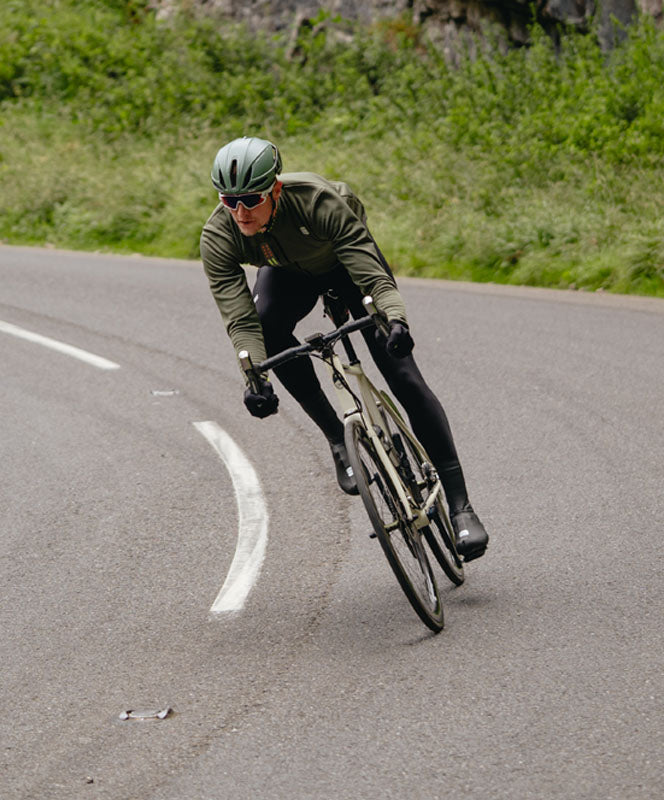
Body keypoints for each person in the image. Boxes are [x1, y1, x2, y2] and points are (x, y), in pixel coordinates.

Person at [199, 136, 489, 561]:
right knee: (267, 328)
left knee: (403, 376)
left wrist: (396, 321)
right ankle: (338, 440)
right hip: (288, 276)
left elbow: (372, 274)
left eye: (251, 199)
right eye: (229, 200)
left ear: (275, 190)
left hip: (346, 265)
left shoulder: (318, 200)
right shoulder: (219, 236)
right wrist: (254, 375)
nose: (240, 212)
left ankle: (461, 507)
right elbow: (240, 319)